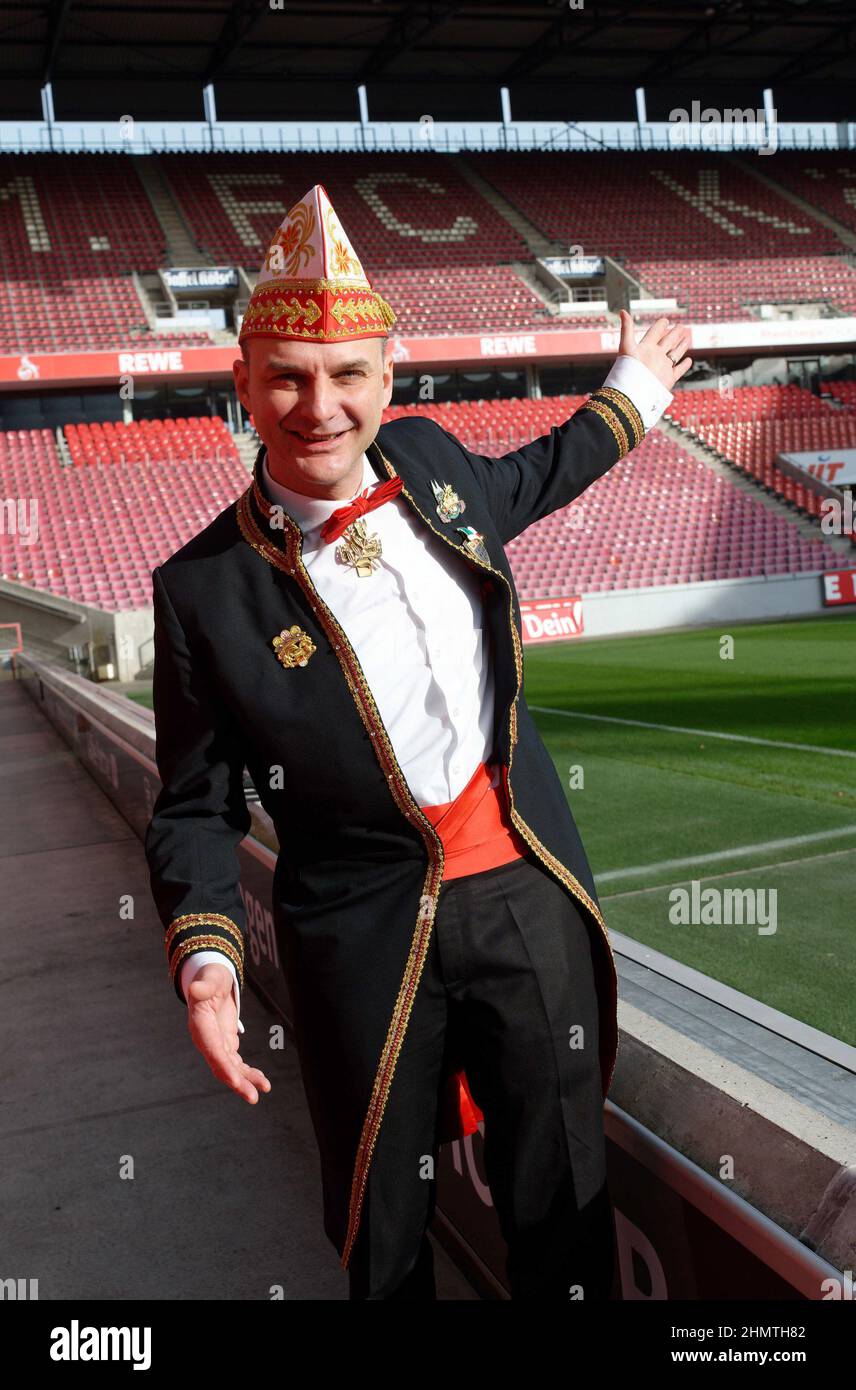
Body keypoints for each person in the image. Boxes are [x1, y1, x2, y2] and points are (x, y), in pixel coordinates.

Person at [144, 183, 692, 1300]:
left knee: (562, 1204)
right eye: (288, 376)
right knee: (380, 1231)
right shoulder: (200, 589)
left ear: (386, 381)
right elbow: (196, 801)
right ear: (242, 384)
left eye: (348, 374)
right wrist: (208, 962)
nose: (319, 405)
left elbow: (540, 473)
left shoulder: (438, 465)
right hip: (360, 933)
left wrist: (633, 389)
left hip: (525, 897)